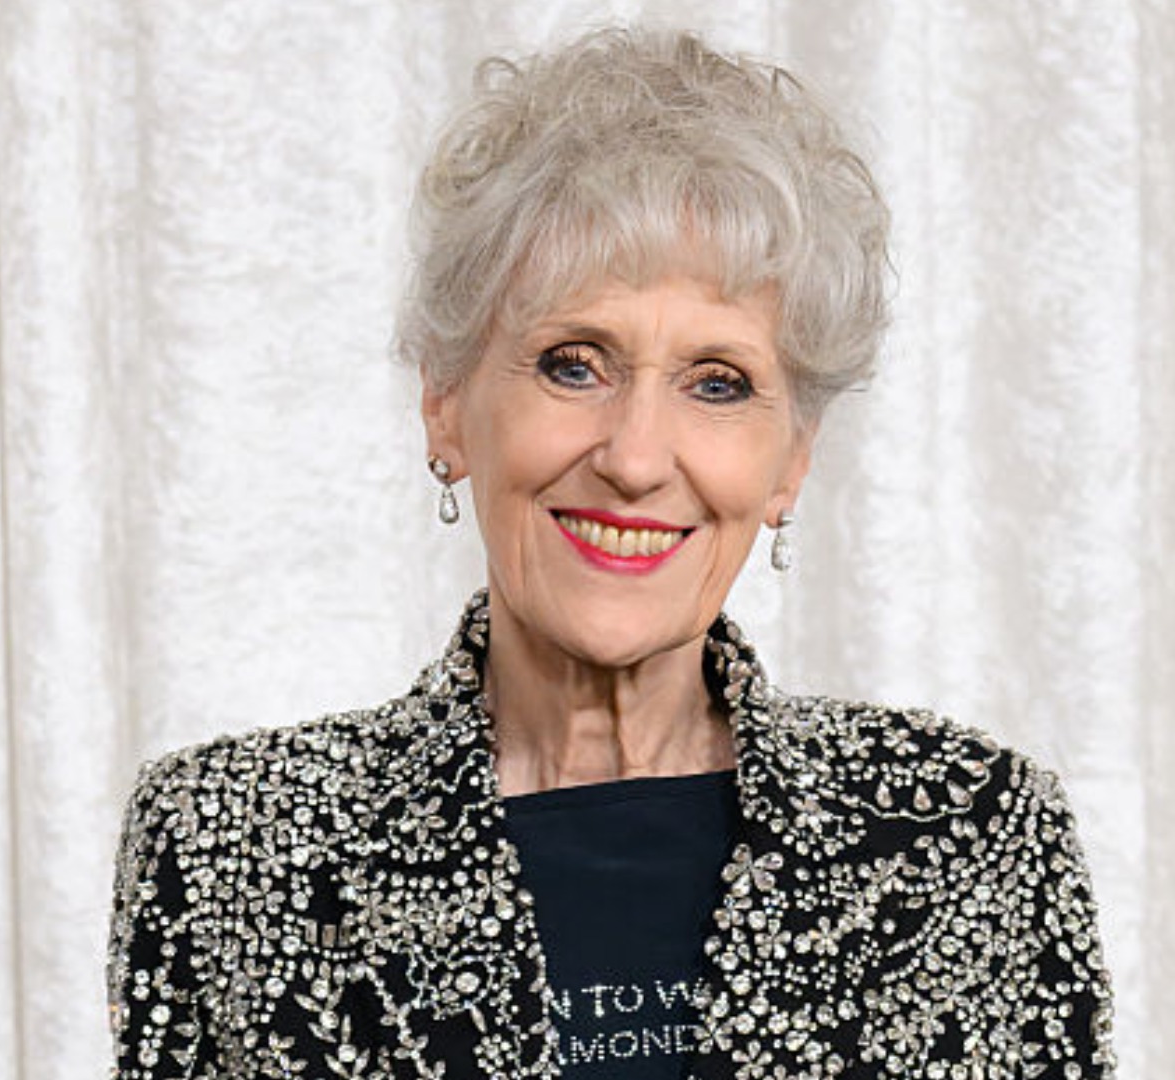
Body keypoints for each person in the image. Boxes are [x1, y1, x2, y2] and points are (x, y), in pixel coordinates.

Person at [108, 26, 1114, 1079]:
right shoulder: (230, 847)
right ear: (445, 406)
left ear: (791, 463)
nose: (636, 460)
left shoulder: (977, 837)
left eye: (717, 381)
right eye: (572, 364)